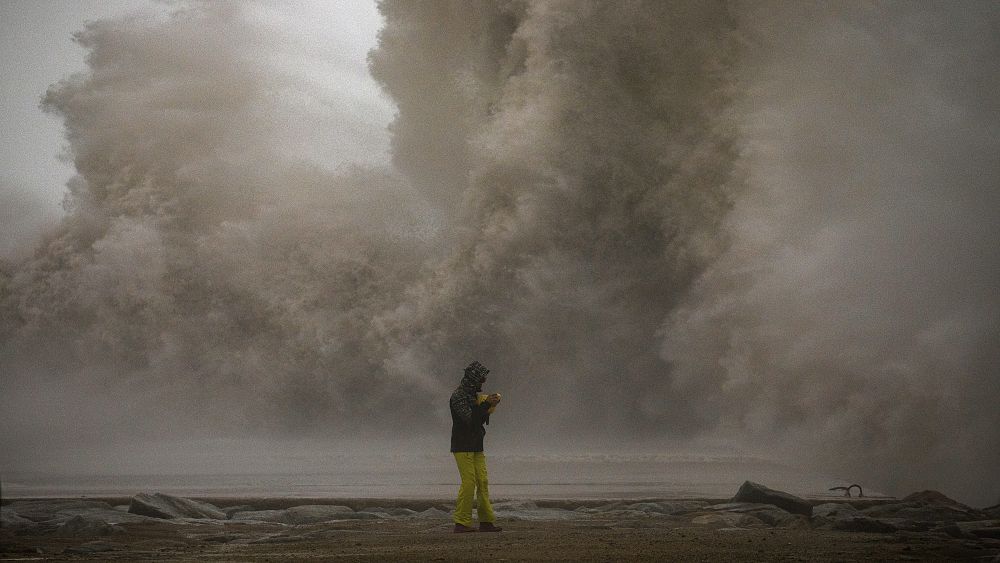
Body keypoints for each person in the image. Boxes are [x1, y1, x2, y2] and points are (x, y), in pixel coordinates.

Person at [449, 360, 502, 533]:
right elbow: (471, 421)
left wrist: (489, 405)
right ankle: (461, 523)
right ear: (473, 379)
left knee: (482, 481)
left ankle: (486, 521)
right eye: (481, 379)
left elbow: (478, 418)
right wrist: (487, 405)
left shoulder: (473, 395)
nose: (483, 382)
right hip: (462, 446)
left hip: (477, 445)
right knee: (469, 483)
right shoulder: (458, 397)